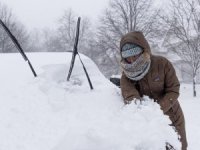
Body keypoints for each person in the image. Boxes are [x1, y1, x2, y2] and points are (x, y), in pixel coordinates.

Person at [120, 31, 187, 150]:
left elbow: (173, 89)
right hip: (149, 123)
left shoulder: (162, 63)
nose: (132, 60)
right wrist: (146, 114)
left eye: (135, 55)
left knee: (179, 147)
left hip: (173, 116)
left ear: (143, 50)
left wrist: (158, 109)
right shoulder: (126, 77)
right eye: (128, 57)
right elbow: (132, 99)